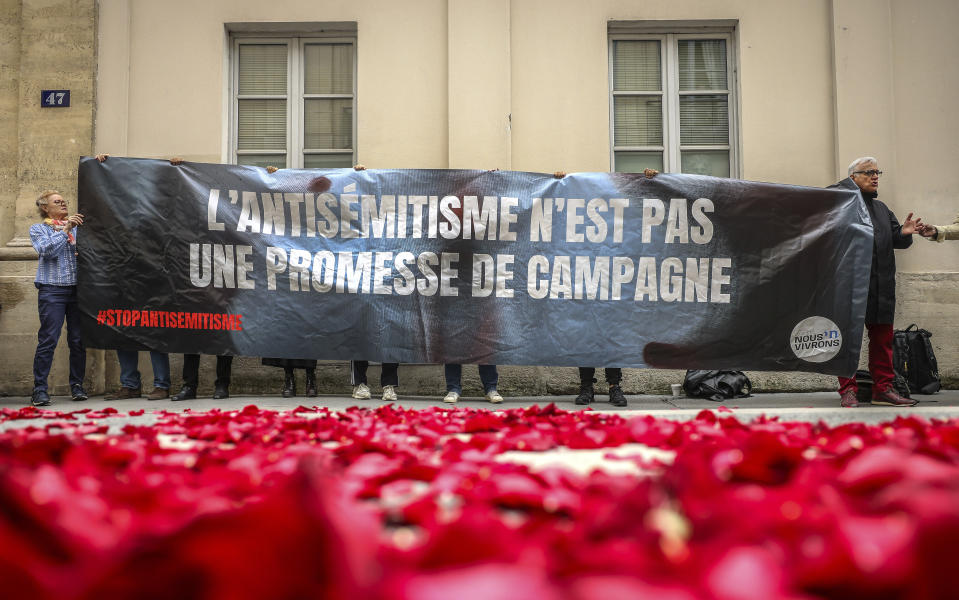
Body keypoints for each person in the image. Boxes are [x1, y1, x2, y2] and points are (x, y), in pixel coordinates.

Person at [565, 167, 658, 408]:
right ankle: (587, 387)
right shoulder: (584, 220)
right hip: (587, 286)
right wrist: (559, 183)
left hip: (615, 287)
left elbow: (641, 211)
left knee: (612, 338)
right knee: (587, 338)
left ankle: (614, 386)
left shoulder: (622, 220)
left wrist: (648, 181)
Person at [831, 157, 919, 408]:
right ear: (852, 178)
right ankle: (848, 390)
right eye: (868, 172)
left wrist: (903, 232)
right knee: (848, 341)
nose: (875, 176)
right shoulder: (839, 204)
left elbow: (895, 239)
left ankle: (883, 389)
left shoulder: (882, 209)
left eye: (877, 171)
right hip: (850, 286)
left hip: (881, 286)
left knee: (882, 341)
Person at [94, 153, 172, 400]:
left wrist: (175, 168)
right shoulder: (117, 212)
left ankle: (161, 384)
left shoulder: (157, 213)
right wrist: (101, 165)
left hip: (152, 280)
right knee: (123, 332)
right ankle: (130, 385)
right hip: (122, 279)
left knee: (155, 333)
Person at [29, 190, 87, 406]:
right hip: (52, 290)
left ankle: (77, 385)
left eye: (64, 201)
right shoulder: (38, 229)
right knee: (48, 340)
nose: (63, 204)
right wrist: (66, 230)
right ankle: (40, 389)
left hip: (77, 290)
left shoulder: (79, 229)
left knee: (78, 341)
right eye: (57, 202)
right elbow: (46, 250)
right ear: (45, 207)